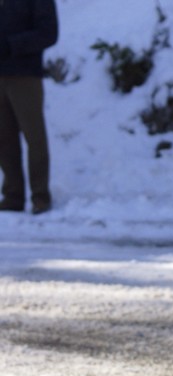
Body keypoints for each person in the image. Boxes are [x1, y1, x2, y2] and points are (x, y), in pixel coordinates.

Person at [0, 0, 59, 215]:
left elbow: (48, 33)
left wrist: (11, 45)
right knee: (4, 139)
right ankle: (12, 195)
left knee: (34, 137)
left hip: (25, 75)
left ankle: (40, 196)